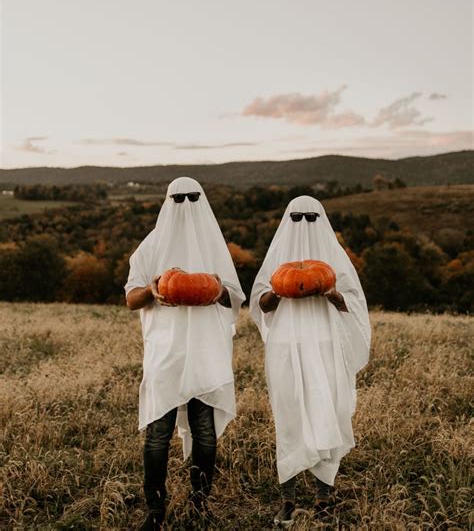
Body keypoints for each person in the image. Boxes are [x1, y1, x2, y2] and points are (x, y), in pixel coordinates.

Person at [124, 177, 245, 531]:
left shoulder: (214, 247)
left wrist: (217, 288)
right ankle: (155, 510)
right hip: (167, 350)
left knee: (205, 431)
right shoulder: (150, 247)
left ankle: (199, 501)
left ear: (202, 200)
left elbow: (236, 297)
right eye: (179, 198)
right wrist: (151, 289)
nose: (185, 204)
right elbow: (131, 299)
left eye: (192, 197)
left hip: (206, 350)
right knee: (158, 431)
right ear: (167, 201)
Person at [249, 195, 371, 527]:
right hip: (286, 348)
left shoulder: (335, 260)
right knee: (289, 420)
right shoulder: (277, 259)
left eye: (312, 217)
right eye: (299, 217)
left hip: (327, 346)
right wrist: (277, 291)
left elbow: (355, 306)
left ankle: (324, 499)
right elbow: (260, 304)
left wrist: (331, 294)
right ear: (289, 220)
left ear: (322, 218)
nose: (305, 224)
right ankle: (288, 499)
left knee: (325, 413)